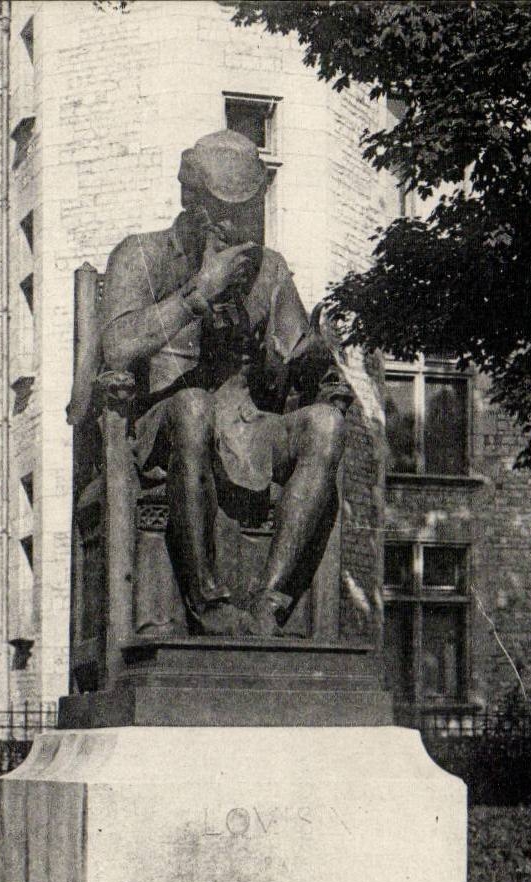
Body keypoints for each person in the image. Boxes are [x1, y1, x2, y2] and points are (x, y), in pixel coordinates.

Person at [66, 129, 352, 637]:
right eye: (223, 212)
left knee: (326, 426)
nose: (237, 226)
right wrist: (198, 294)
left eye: (246, 213)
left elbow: (300, 352)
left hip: (245, 429)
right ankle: (206, 601)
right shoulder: (141, 254)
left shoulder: (269, 269)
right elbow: (116, 347)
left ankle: (271, 603)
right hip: (161, 427)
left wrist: (315, 363)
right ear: (190, 202)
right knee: (194, 405)